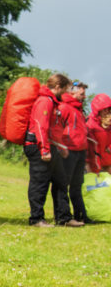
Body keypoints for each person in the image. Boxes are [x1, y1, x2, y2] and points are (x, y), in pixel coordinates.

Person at [24, 73, 82, 227]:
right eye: (65, 89)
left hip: (51, 146)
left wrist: (60, 147)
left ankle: (64, 218)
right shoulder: (44, 101)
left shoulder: (52, 102)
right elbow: (40, 126)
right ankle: (36, 219)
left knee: (61, 182)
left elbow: (54, 129)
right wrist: (44, 150)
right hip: (38, 147)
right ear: (57, 87)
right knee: (39, 183)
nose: (66, 93)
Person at [58, 81, 90, 223]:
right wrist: (61, 147)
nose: (84, 96)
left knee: (77, 185)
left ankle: (81, 215)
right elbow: (57, 128)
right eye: (82, 93)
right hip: (68, 150)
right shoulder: (64, 107)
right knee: (63, 184)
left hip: (80, 150)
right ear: (72, 91)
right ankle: (64, 216)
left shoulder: (79, 109)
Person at [87, 93, 111, 175]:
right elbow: (91, 148)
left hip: (108, 163)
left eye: (108, 109)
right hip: (95, 165)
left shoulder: (109, 123)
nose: (106, 112)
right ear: (98, 110)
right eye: (104, 109)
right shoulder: (90, 125)